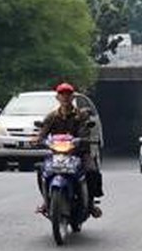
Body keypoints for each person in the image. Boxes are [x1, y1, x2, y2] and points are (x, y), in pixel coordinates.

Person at [33, 82, 103, 217]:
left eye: (68, 94)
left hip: (79, 153)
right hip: (57, 153)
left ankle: (90, 203)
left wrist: (81, 140)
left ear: (72, 98)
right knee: (41, 170)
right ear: (57, 97)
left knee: (91, 171)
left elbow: (85, 132)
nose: (65, 97)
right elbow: (43, 132)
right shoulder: (52, 116)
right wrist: (38, 139)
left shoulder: (81, 116)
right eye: (62, 94)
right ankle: (46, 201)